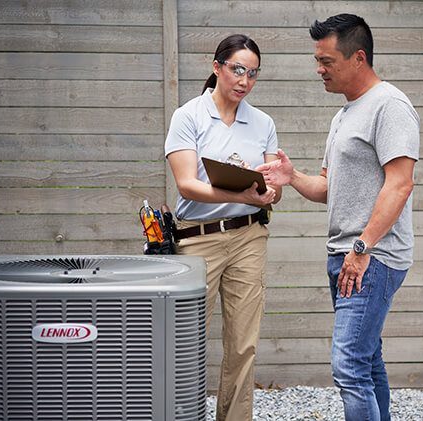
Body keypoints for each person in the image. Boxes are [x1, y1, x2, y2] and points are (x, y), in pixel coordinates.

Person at [256, 14, 419, 421]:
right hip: (345, 256)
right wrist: (291, 177)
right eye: (318, 60)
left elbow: (400, 184)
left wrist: (363, 248)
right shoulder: (344, 115)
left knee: (348, 366)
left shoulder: (390, 106)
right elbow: (327, 188)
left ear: (358, 58)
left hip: (370, 258)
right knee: (367, 361)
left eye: (327, 61)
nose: (319, 69)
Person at [164, 34, 281, 421]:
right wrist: (243, 194)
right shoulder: (189, 115)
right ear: (217, 68)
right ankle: (180, 414)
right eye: (237, 69)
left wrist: (269, 193)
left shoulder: (263, 122)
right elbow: (186, 184)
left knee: (243, 344)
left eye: (253, 73)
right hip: (198, 240)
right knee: (186, 341)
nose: (244, 80)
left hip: (249, 236)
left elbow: (271, 187)